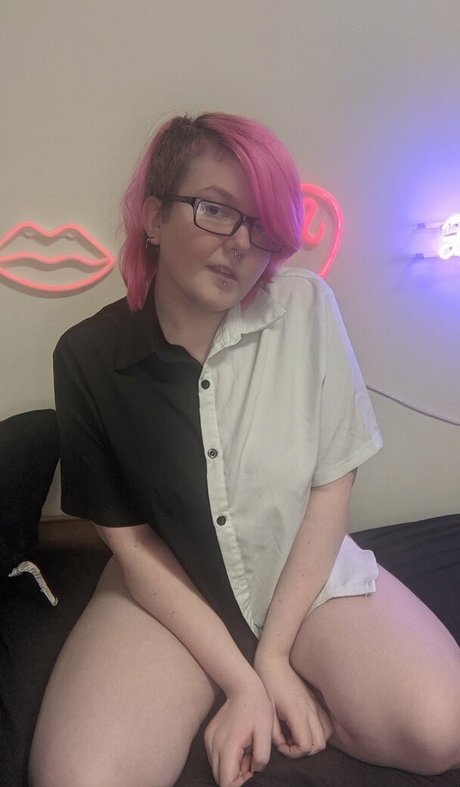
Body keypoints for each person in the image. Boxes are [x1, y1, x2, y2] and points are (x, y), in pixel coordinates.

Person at [29, 112, 460, 787]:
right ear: (153, 217)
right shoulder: (88, 357)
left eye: (260, 226)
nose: (241, 244)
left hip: (297, 575)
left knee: (443, 729)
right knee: (78, 778)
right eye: (214, 209)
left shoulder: (306, 309)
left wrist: (275, 656)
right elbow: (133, 545)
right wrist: (245, 682)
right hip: (169, 590)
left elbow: (330, 487)